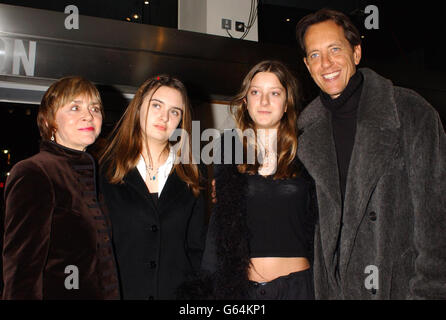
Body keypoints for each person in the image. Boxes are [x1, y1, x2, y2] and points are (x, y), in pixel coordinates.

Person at [295, 8, 446, 299]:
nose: (325, 63)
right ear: (307, 65)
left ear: (356, 53)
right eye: (314, 55)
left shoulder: (410, 112)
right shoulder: (304, 131)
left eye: (335, 49)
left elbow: (437, 221)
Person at [199, 60, 317, 300]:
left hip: (298, 289)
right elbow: (220, 225)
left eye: (274, 93)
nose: (264, 101)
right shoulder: (228, 147)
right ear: (246, 101)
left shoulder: (309, 148)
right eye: (256, 92)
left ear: (286, 104)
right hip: (243, 291)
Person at [2, 76, 119, 299]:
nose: (89, 115)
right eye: (75, 107)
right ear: (48, 121)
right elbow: (21, 271)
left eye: (95, 108)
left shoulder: (93, 175)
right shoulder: (34, 172)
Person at [99, 75, 206, 300]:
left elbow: (197, 249)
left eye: (175, 111)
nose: (164, 117)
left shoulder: (194, 171)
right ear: (138, 108)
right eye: (156, 105)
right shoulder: (105, 170)